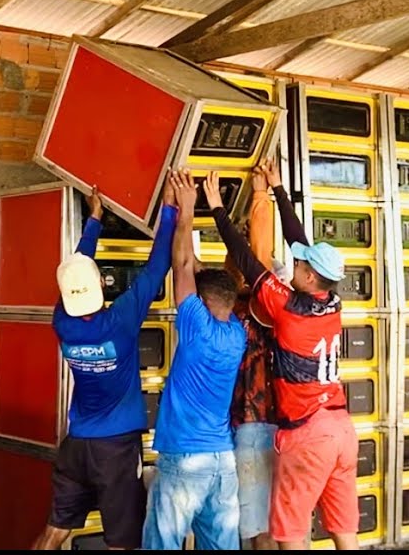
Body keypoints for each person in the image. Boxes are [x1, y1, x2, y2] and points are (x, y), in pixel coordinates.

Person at [205, 159, 359, 551]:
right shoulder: (332, 300)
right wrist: (276, 189)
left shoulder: (286, 308)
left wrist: (217, 208)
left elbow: (248, 258)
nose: (293, 263)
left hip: (307, 434)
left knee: (290, 535)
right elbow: (298, 240)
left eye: (300, 264)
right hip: (341, 427)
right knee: (345, 532)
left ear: (309, 277)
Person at [32, 182, 178, 551]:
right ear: (101, 283)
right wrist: (171, 210)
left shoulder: (62, 322)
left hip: (77, 446)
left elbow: (75, 276)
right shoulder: (120, 322)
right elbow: (158, 266)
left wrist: (94, 220)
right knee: (122, 541)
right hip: (115, 451)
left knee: (55, 530)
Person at [142, 170, 247, 550]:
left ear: (201, 304)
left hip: (186, 458)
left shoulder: (197, 327)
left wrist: (184, 209)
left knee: (163, 542)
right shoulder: (234, 331)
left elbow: (184, 267)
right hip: (222, 462)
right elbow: (200, 272)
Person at [227, 166, 282, 550]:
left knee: (259, 525)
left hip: (253, 424)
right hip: (267, 425)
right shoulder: (276, 306)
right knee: (275, 523)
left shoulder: (258, 307)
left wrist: (261, 195)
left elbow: (257, 261)